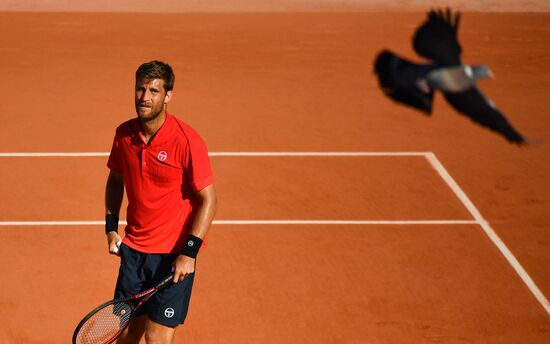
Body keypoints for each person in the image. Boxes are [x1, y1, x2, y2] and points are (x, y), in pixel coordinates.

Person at [104, 60, 218, 344]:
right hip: (134, 253)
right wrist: (110, 227)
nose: (145, 97)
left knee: (156, 337)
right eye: (140, 89)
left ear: (168, 96)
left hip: (173, 257)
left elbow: (209, 199)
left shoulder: (186, 141)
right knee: (127, 335)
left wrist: (189, 253)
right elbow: (116, 181)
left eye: (154, 91)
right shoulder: (124, 135)